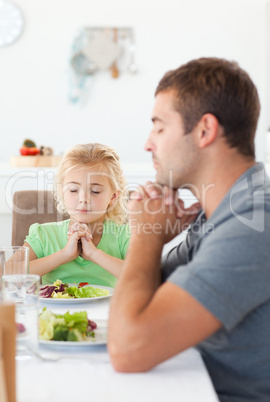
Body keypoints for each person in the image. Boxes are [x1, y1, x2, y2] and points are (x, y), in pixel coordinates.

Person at [108, 58, 270, 402]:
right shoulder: (219, 212)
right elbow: (147, 297)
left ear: (204, 131)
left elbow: (128, 347)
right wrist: (156, 233)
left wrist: (146, 233)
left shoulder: (253, 223)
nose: (148, 144)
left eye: (159, 127)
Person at [24, 143, 130, 286]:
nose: (83, 199)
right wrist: (64, 255)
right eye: (73, 190)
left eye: (95, 191)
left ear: (113, 197)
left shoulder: (124, 236)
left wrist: (94, 254)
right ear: (62, 192)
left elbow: (143, 278)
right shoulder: (43, 235)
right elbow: (8, 274)